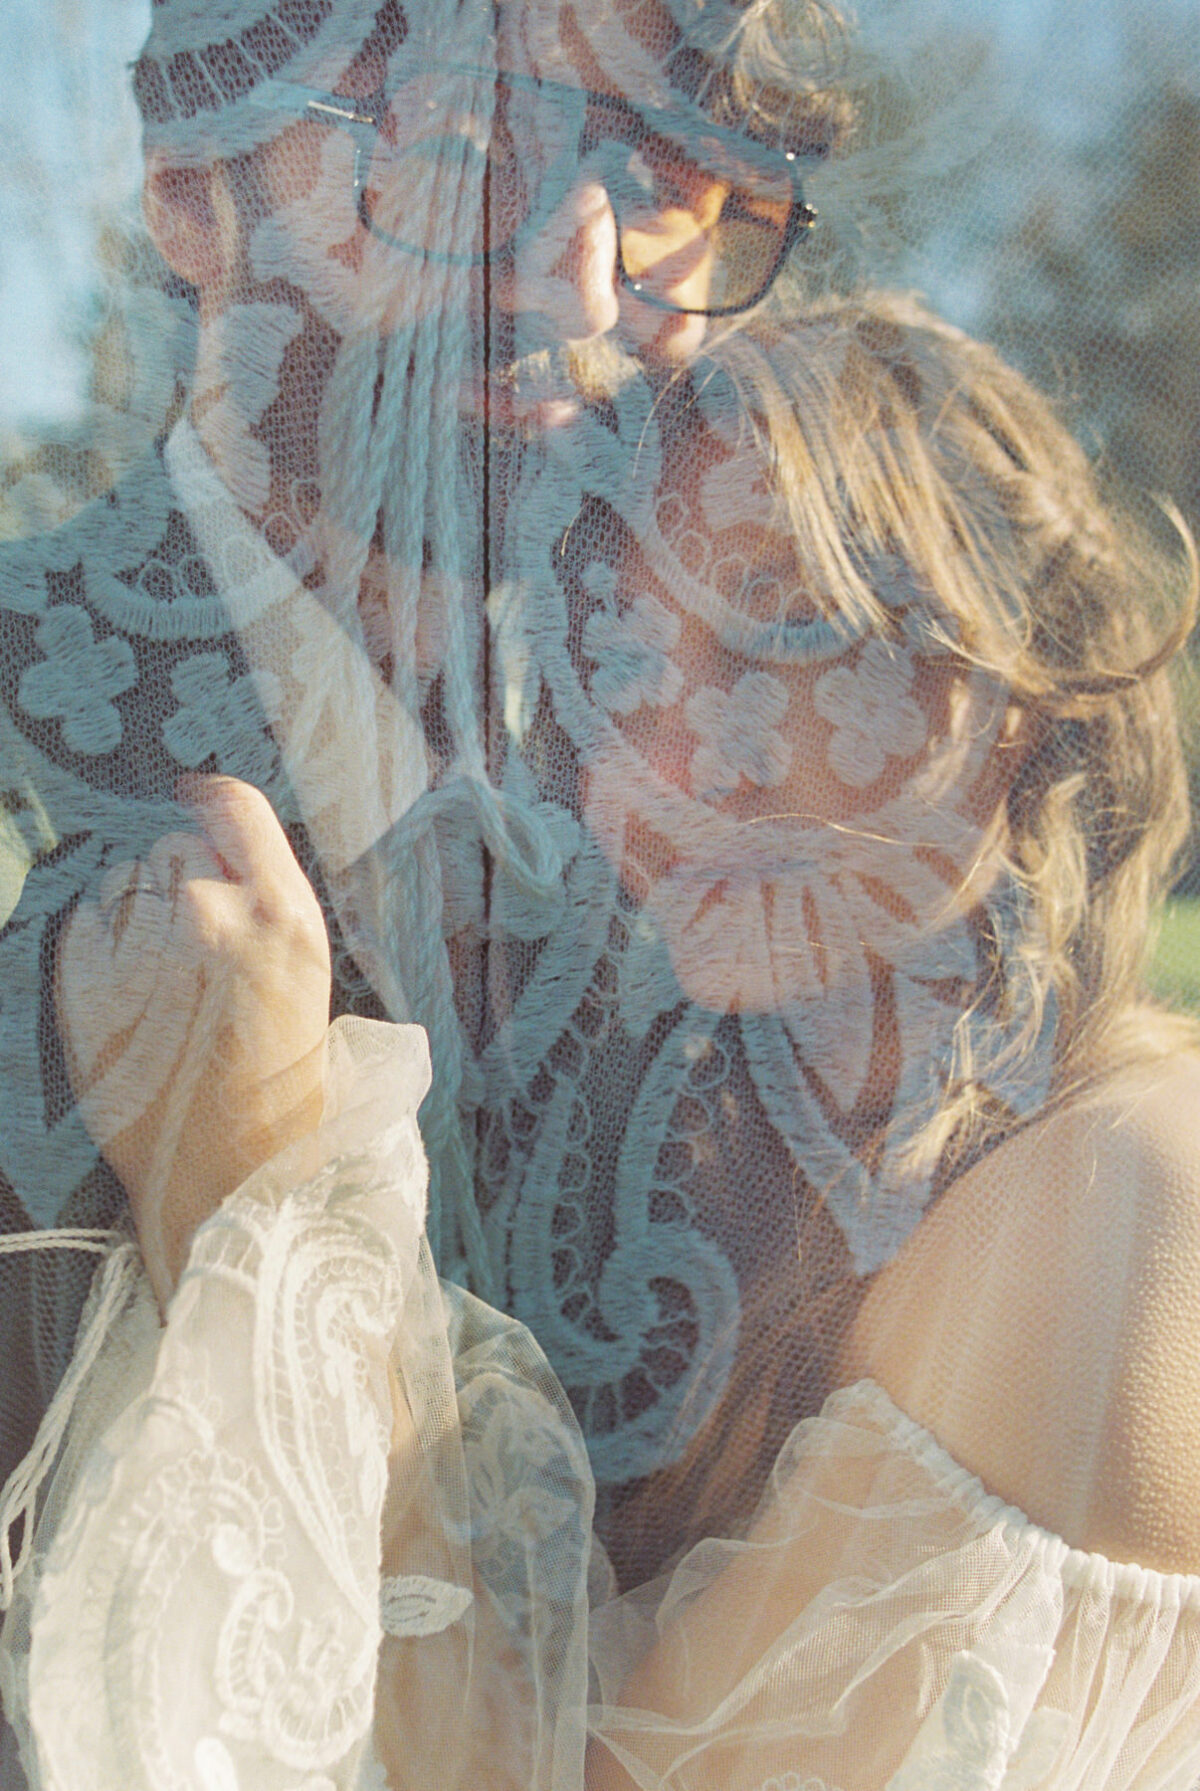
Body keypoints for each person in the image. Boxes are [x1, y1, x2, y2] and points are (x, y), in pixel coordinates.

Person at [1, 3, 1200, 1787]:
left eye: (668, 183)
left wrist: (252, 1188)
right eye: (455, 151)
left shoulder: (1055, 1155)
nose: (575, 283)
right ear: (188, 195)